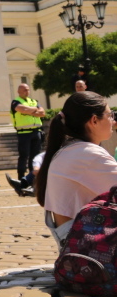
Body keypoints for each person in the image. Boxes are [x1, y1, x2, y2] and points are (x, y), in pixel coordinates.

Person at [36, 92, 117, 245]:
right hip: (90, 244)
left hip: (78, 241)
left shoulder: (71, 150)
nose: (113, 121)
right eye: (110, 115)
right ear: (94, 120)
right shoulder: (87, 154)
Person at [10, 83, 45, 183]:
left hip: (36, 132)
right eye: (25, 90)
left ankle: (32, 178)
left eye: (28, 90)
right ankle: (21, 178)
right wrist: (35, 110)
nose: (27, 92)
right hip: (24, 133)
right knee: (23, 156)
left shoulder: (34, 101)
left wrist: (29, 110)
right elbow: (22, 109)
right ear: (18, 91)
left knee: (35, 157)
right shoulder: (15, 102)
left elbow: (42, 113)